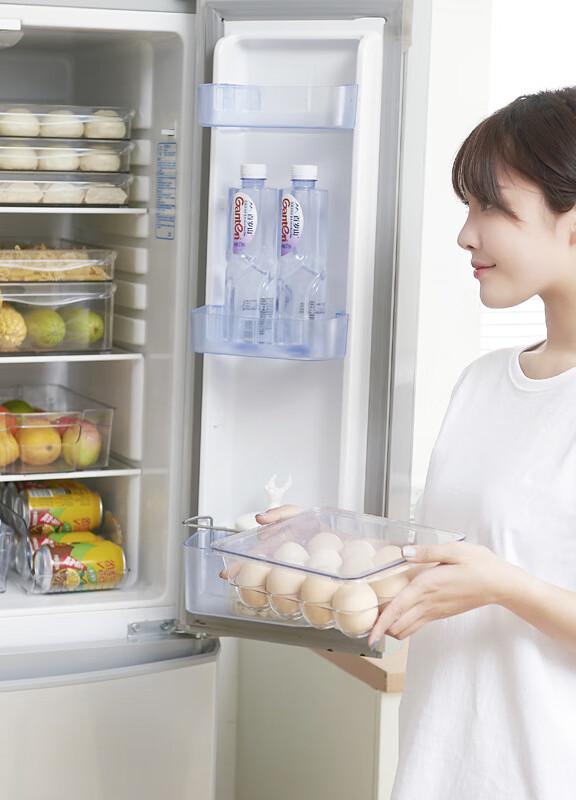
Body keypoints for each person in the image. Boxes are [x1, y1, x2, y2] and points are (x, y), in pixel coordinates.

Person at [259, 87, 576, 798]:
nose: (467, 234)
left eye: (492, 207)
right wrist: (330, 545)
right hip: (442, 770)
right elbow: (457, 567)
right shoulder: (483, 383)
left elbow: (496, 576)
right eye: (469, 207)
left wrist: (502, 585)